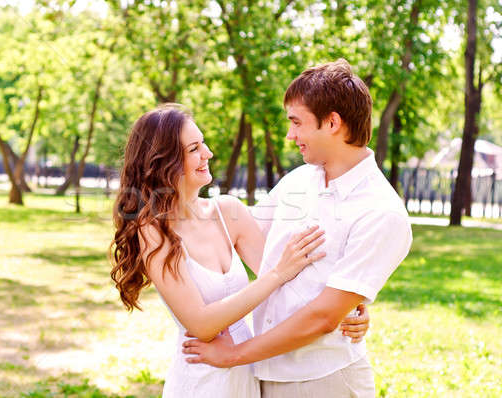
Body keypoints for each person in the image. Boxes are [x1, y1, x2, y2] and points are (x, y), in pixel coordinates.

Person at [182, 59, 413, 397]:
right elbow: (237, 236)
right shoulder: (299, 180)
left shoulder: (381, 211)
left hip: (323, 381)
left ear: (332, 122)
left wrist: (232, 355)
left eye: (296, 122)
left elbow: (322, 318)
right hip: (263, 376)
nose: (290, 135)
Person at [110, 103, 370, 398]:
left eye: (203, 143)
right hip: (201, 378)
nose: (207, 153)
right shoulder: (153, 232)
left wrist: (345, 311)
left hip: (246, 376)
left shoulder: (227, 212)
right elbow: (201, 324)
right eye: (194, 148)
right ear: (163, 161)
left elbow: (296, 289)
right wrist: (277, 274)